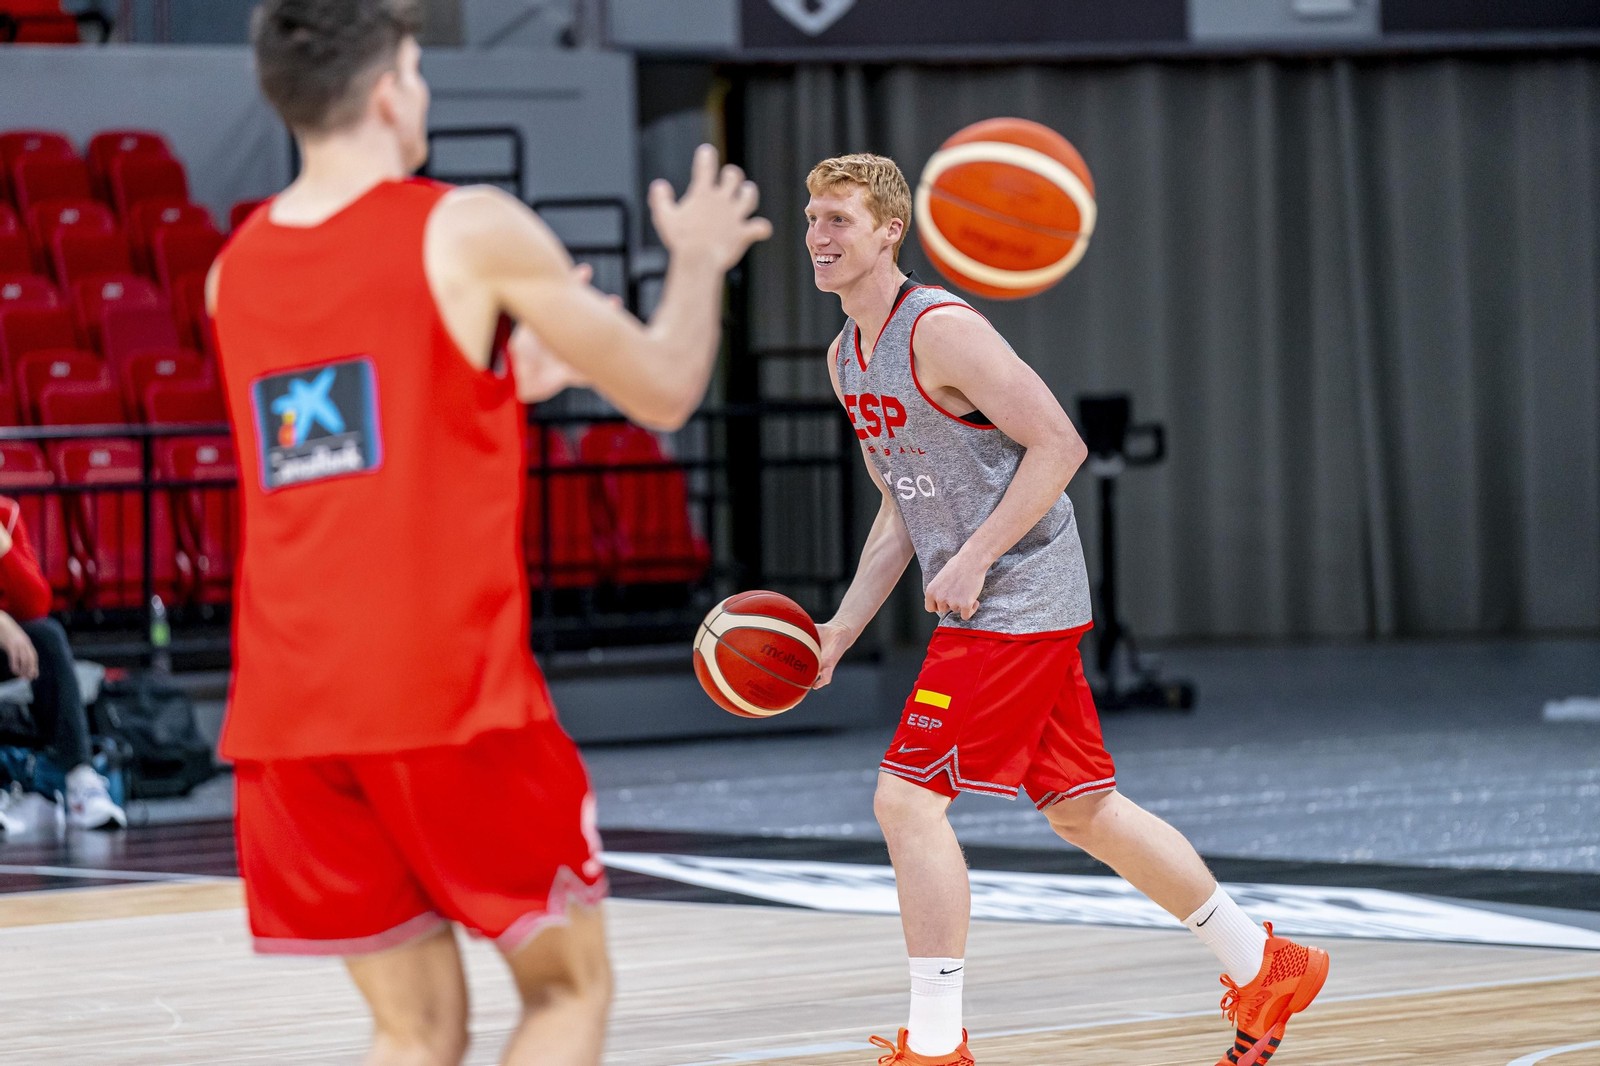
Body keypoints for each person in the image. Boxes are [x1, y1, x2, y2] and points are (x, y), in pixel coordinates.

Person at [209, 3, 768, 1065]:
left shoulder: (233, 270)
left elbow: (343, 441)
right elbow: (662, 389)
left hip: (289, 714)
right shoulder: (463, 225)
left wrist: (497, 385)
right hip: (442, 694)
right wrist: (696, 260)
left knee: (412, 1032)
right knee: (566, 992)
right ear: (388, 90)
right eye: (416, 67)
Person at [805, 154, 1328, 1066]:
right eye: (812, 217)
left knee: (906, 802)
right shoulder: (846, 358)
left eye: (840, 219)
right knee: (1084, 808)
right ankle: (1267, 961)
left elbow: (1060, 444)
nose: (818, 234)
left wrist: (973, 556)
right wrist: (840, 630)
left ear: (891, 232)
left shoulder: (939, 330)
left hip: (1019, 597)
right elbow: (902, 504)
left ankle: (936, 1047)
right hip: (992, 599)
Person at [0, 494, 124, 831]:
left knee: (47, 635)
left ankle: (78, 778)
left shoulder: (6, 514)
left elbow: (36, 603)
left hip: (7, 643)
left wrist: (5, 550)